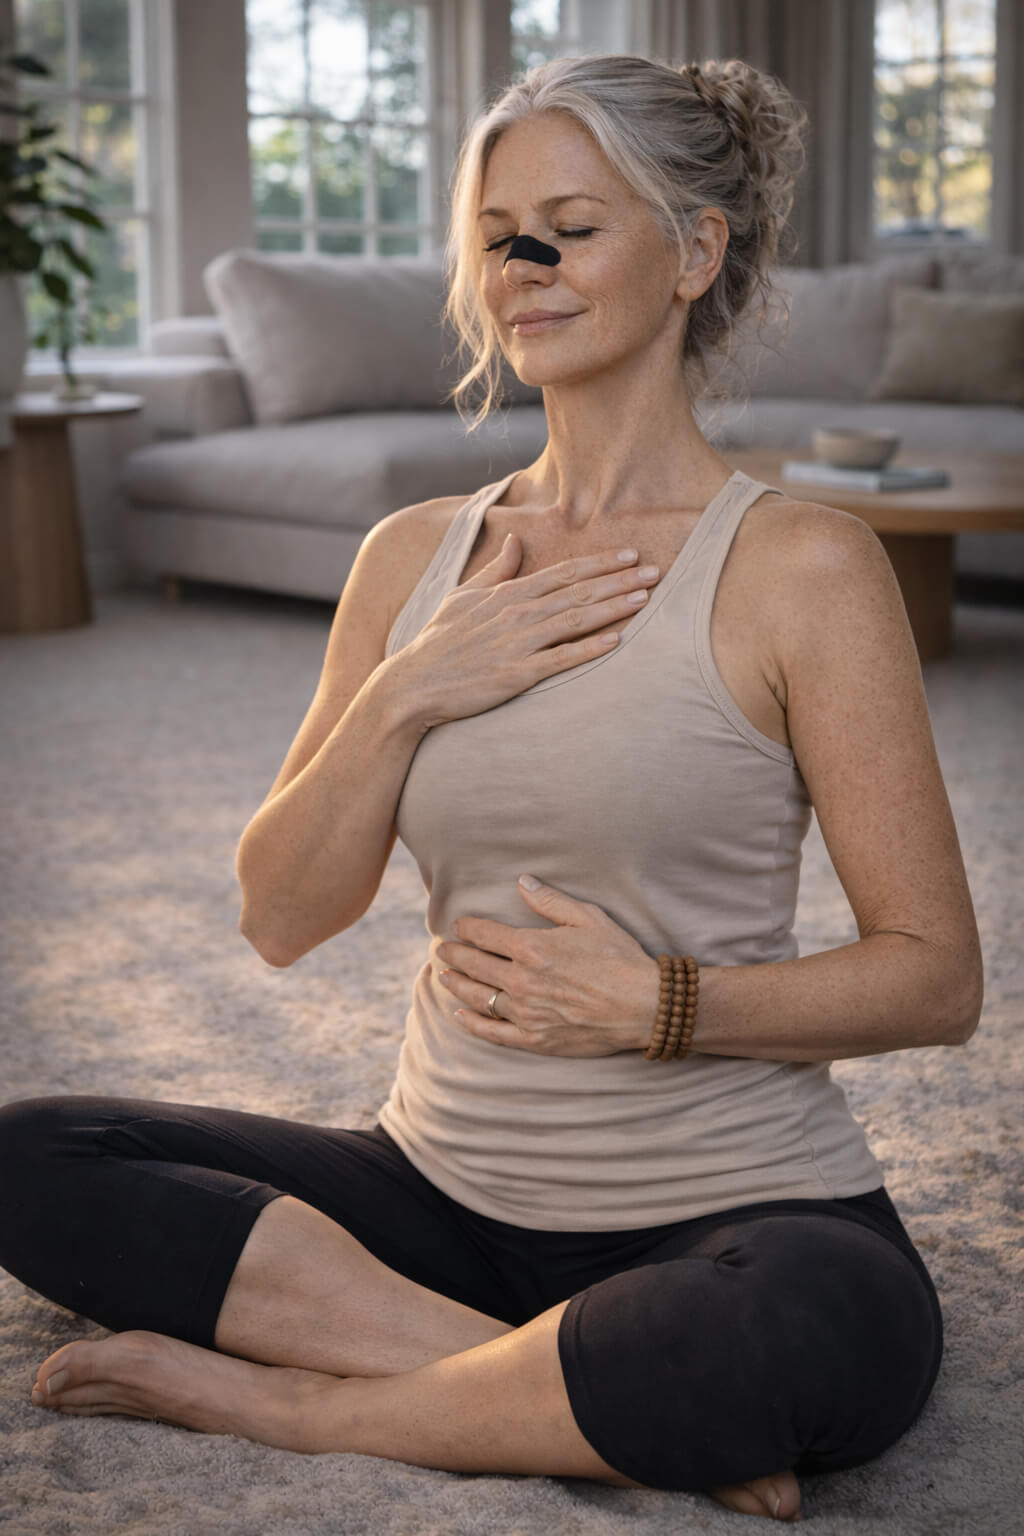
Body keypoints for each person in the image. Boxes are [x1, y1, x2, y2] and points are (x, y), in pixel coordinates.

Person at [0, 54, 982, 1523]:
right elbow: (280, 917)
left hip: (728, 1209)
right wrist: (414, 685)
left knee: (804, 1337)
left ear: (694, 253)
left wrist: (663, 1005)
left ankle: (306, 1404)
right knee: (34, 1158)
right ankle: (542, 1392)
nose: (519, 267)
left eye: (568, 229)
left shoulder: (801, 568)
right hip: (433, 1200)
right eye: (494, 235)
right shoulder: (412, 559)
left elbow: (937, 980)